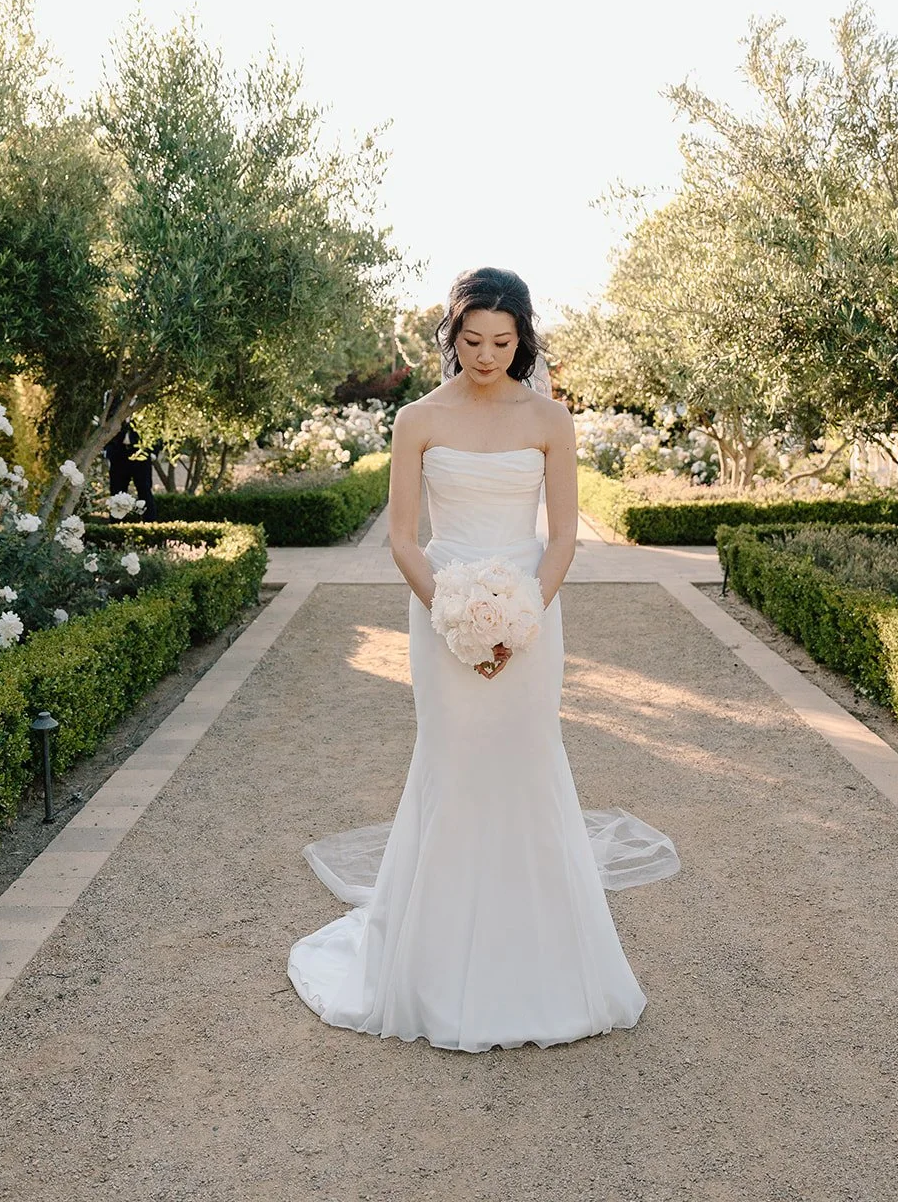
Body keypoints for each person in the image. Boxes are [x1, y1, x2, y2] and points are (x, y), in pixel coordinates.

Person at [286, 266, 680, 1052]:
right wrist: (453, 615)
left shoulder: (549, 419)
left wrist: (521, 616)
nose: (487, 355)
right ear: (452, 336)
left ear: (522, 339)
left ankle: (540, 960)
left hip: (531, 608)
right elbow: (404, 539)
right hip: (441, 608)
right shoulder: (416, 420)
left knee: (528, 762)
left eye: (502, 341)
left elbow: (561, 537)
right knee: (453, 765)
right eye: (472, 340)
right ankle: (431, 964)